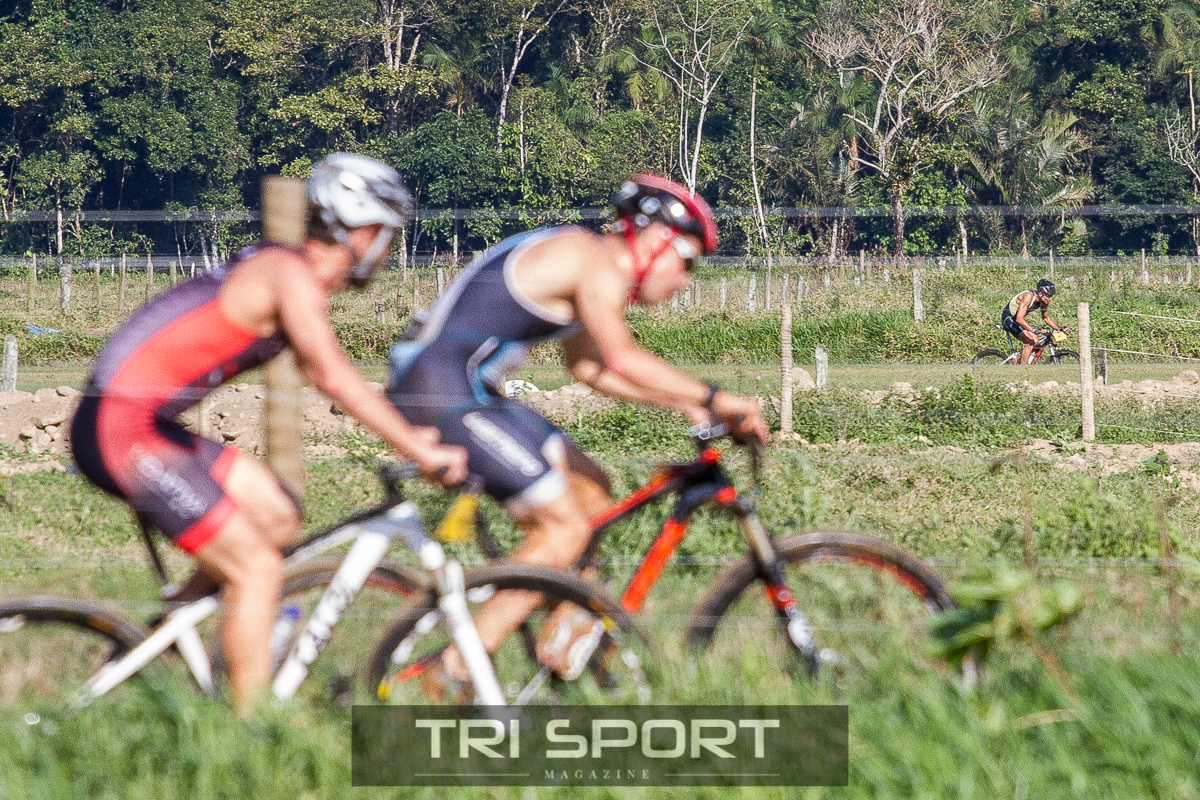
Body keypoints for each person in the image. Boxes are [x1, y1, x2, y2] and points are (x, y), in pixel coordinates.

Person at [70, 154, 468, 716]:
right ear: (361, 230)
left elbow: (322, 371)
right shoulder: (289, 275)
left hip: (143, 425)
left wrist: (407, 434)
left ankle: (169, 635)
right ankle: (249, 730)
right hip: (120, 430)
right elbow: (331, 374)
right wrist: (417, 448)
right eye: (387, 235)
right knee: (257, 568)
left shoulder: (283, 270)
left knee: (278, 515)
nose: (386, 252)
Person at [385, 173, 769, 690]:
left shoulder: (586, 259)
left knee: (592, 491)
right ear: (656, 241)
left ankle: (565, 656)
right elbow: (622, 357)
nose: (685, 281)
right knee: (563, 529)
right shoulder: (592, 260)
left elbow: (589, 368)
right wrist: (718, 398)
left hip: (465, 388)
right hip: (439, 390)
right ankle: (454, 671)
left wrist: (684, 403)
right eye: (688, 263)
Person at [1001, 279, 1067, 364]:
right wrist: (1033, 330)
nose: (1050, 299)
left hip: (1017, 319)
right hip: (1009, 318)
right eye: (1049, 296)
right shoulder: (1028, 296)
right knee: (1029, 341)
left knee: (1037, 342)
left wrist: (1059, 329)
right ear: (1040, 293)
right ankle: (1022, 368)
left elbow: (1046, 317)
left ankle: (1023, 361)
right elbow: (1019, 319)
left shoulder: (1044, 300)